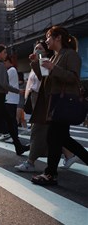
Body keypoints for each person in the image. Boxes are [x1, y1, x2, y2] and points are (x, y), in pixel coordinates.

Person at [31, 26, 88, 186]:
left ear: (58, 38)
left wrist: (53, 68)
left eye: (48, 37)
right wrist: (36, 63)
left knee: (55, 138)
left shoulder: (71, 55)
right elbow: (45, 78)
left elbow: (73, 78)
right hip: (55, 102)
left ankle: (50, 174)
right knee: (61, 139)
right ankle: (50, 174)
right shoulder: (56, 56)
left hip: (65, 102)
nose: (46, 40)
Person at [15, 39, 76, 172]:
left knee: (38, 131)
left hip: (44, 101)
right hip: (39, 100)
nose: (37, 50)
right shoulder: (42, 61)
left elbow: (45, 80)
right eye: (36, 48)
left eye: (40, 48)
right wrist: (35, 62)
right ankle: (68, 155)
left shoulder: (49, 60)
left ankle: (31, 162)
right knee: (54, 134)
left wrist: (40, 61)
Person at [0, 55, 20, 142]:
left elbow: (4, 83)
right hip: (10, 98)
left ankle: (13, 136)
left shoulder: (11, 70)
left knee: (11, 119)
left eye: (4, 62)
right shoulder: (10, 70)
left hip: (11, 98)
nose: (3, 64)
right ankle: (8, 134)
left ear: (8, 61)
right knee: (8, 118)